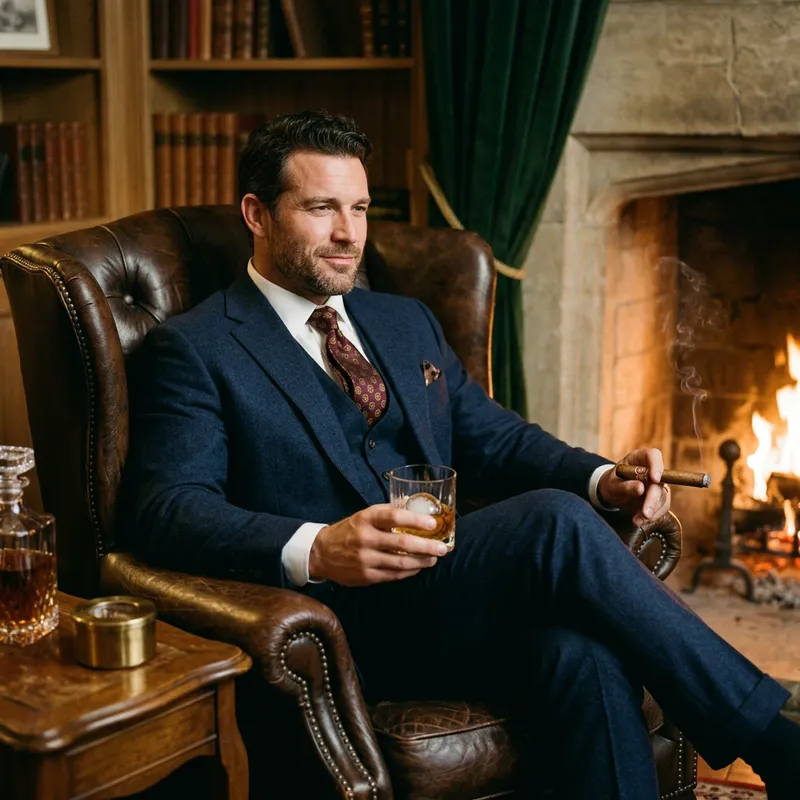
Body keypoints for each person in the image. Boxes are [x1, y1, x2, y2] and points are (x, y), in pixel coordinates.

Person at [123, 110, 799, 799]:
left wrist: (601, 478)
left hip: (450, 596)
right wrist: (319, 547)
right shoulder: (197, 349)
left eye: (357, 208)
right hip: (335, 626)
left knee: (580, 652)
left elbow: (494, 437)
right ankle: (776, 740)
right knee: (554, 522)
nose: (347, 233)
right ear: (257, 215)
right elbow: (168, 509)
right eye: (321, 208)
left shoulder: (401, 319)